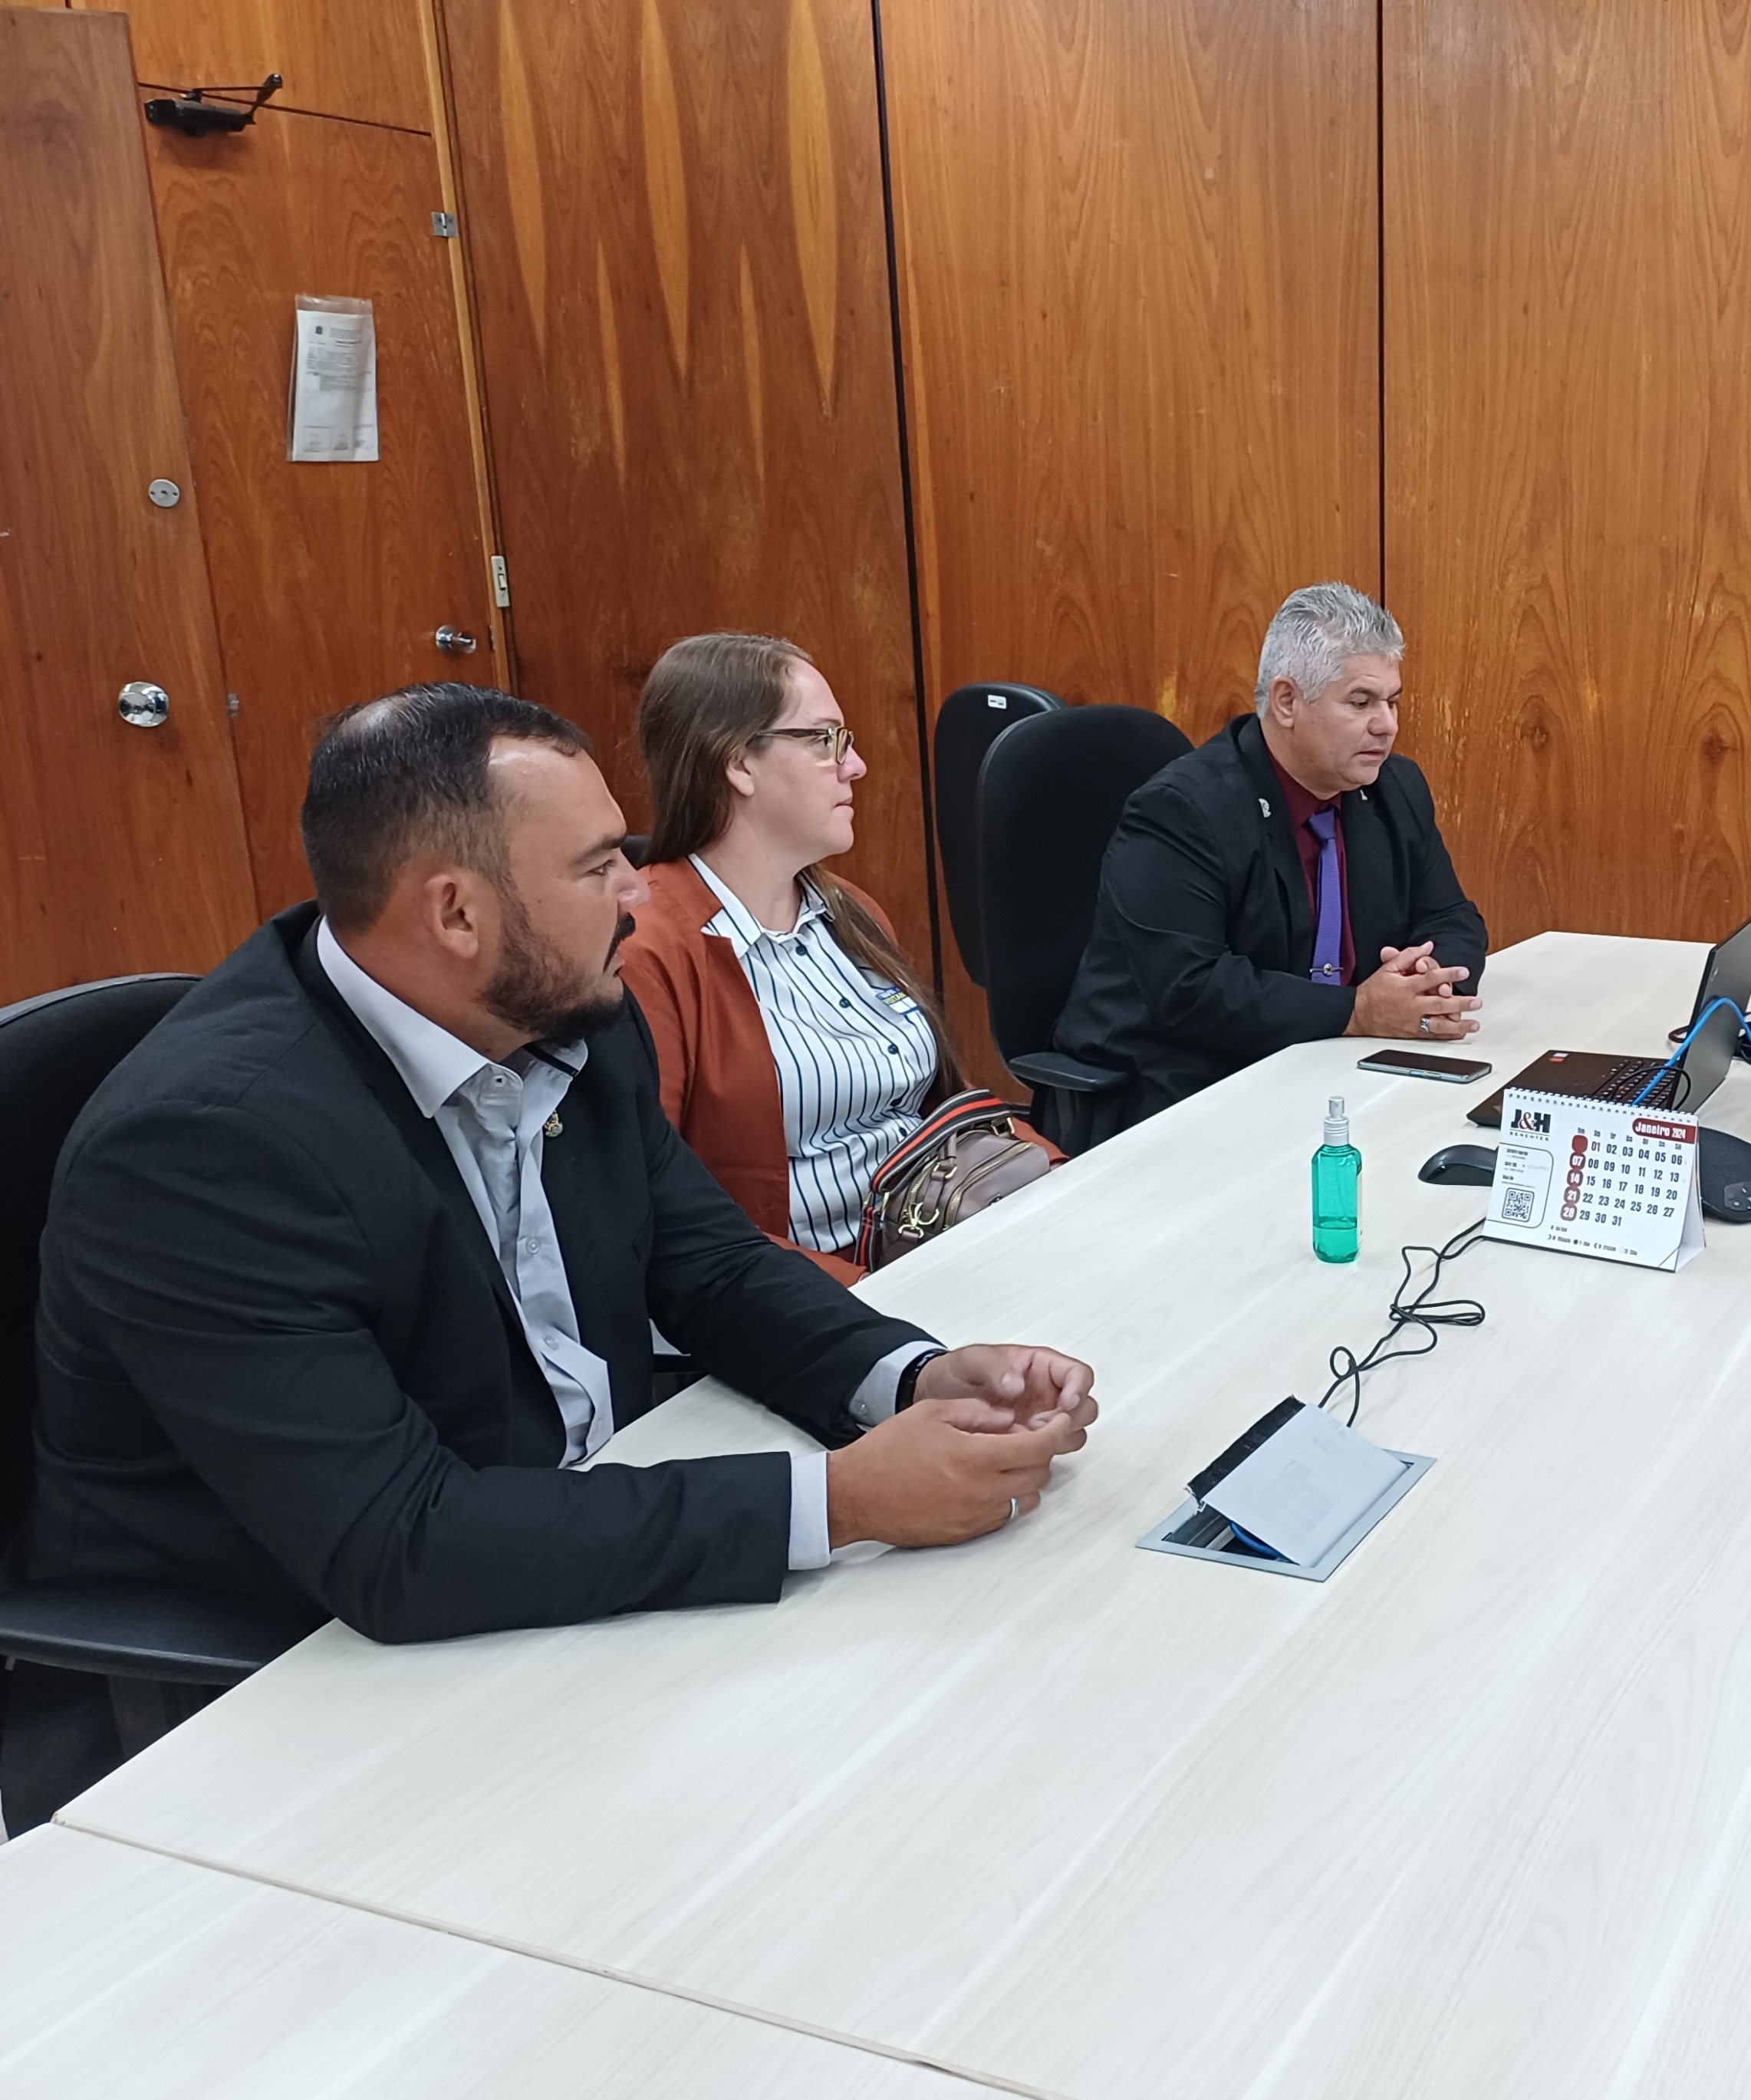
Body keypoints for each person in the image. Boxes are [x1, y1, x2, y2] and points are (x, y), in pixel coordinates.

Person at [9, 684, 1099, 1828]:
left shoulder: (564, 1008)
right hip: (284, 1692)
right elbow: (400, 1542)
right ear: (456, 913)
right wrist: (840, 1501)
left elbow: (712, 1267)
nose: (639, 891)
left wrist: (912, 1378)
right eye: (597, 868)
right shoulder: (208, 1148)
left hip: (551, 1566)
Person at [620, 633, 1037, 1285]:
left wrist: (1063, 1182)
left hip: (944, 1239)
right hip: (822, 1291)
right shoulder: (647, 950)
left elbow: (941, 1114)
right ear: (738, 763)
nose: (856, 766)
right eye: (825, 741)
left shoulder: (849, 910)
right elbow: (662, 1216)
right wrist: (868, 1303)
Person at [1047, 583, 1489, 1150]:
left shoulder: (1394, 788)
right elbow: (1191, 988)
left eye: (1393, 701)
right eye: (1361, 703)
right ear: (1286, 702)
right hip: (1181, 1093)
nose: (1387, 725)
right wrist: (1357, 1010)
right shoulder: (1182, 810)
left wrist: (1426, 986)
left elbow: (1452, 917)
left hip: (1336, 1073)